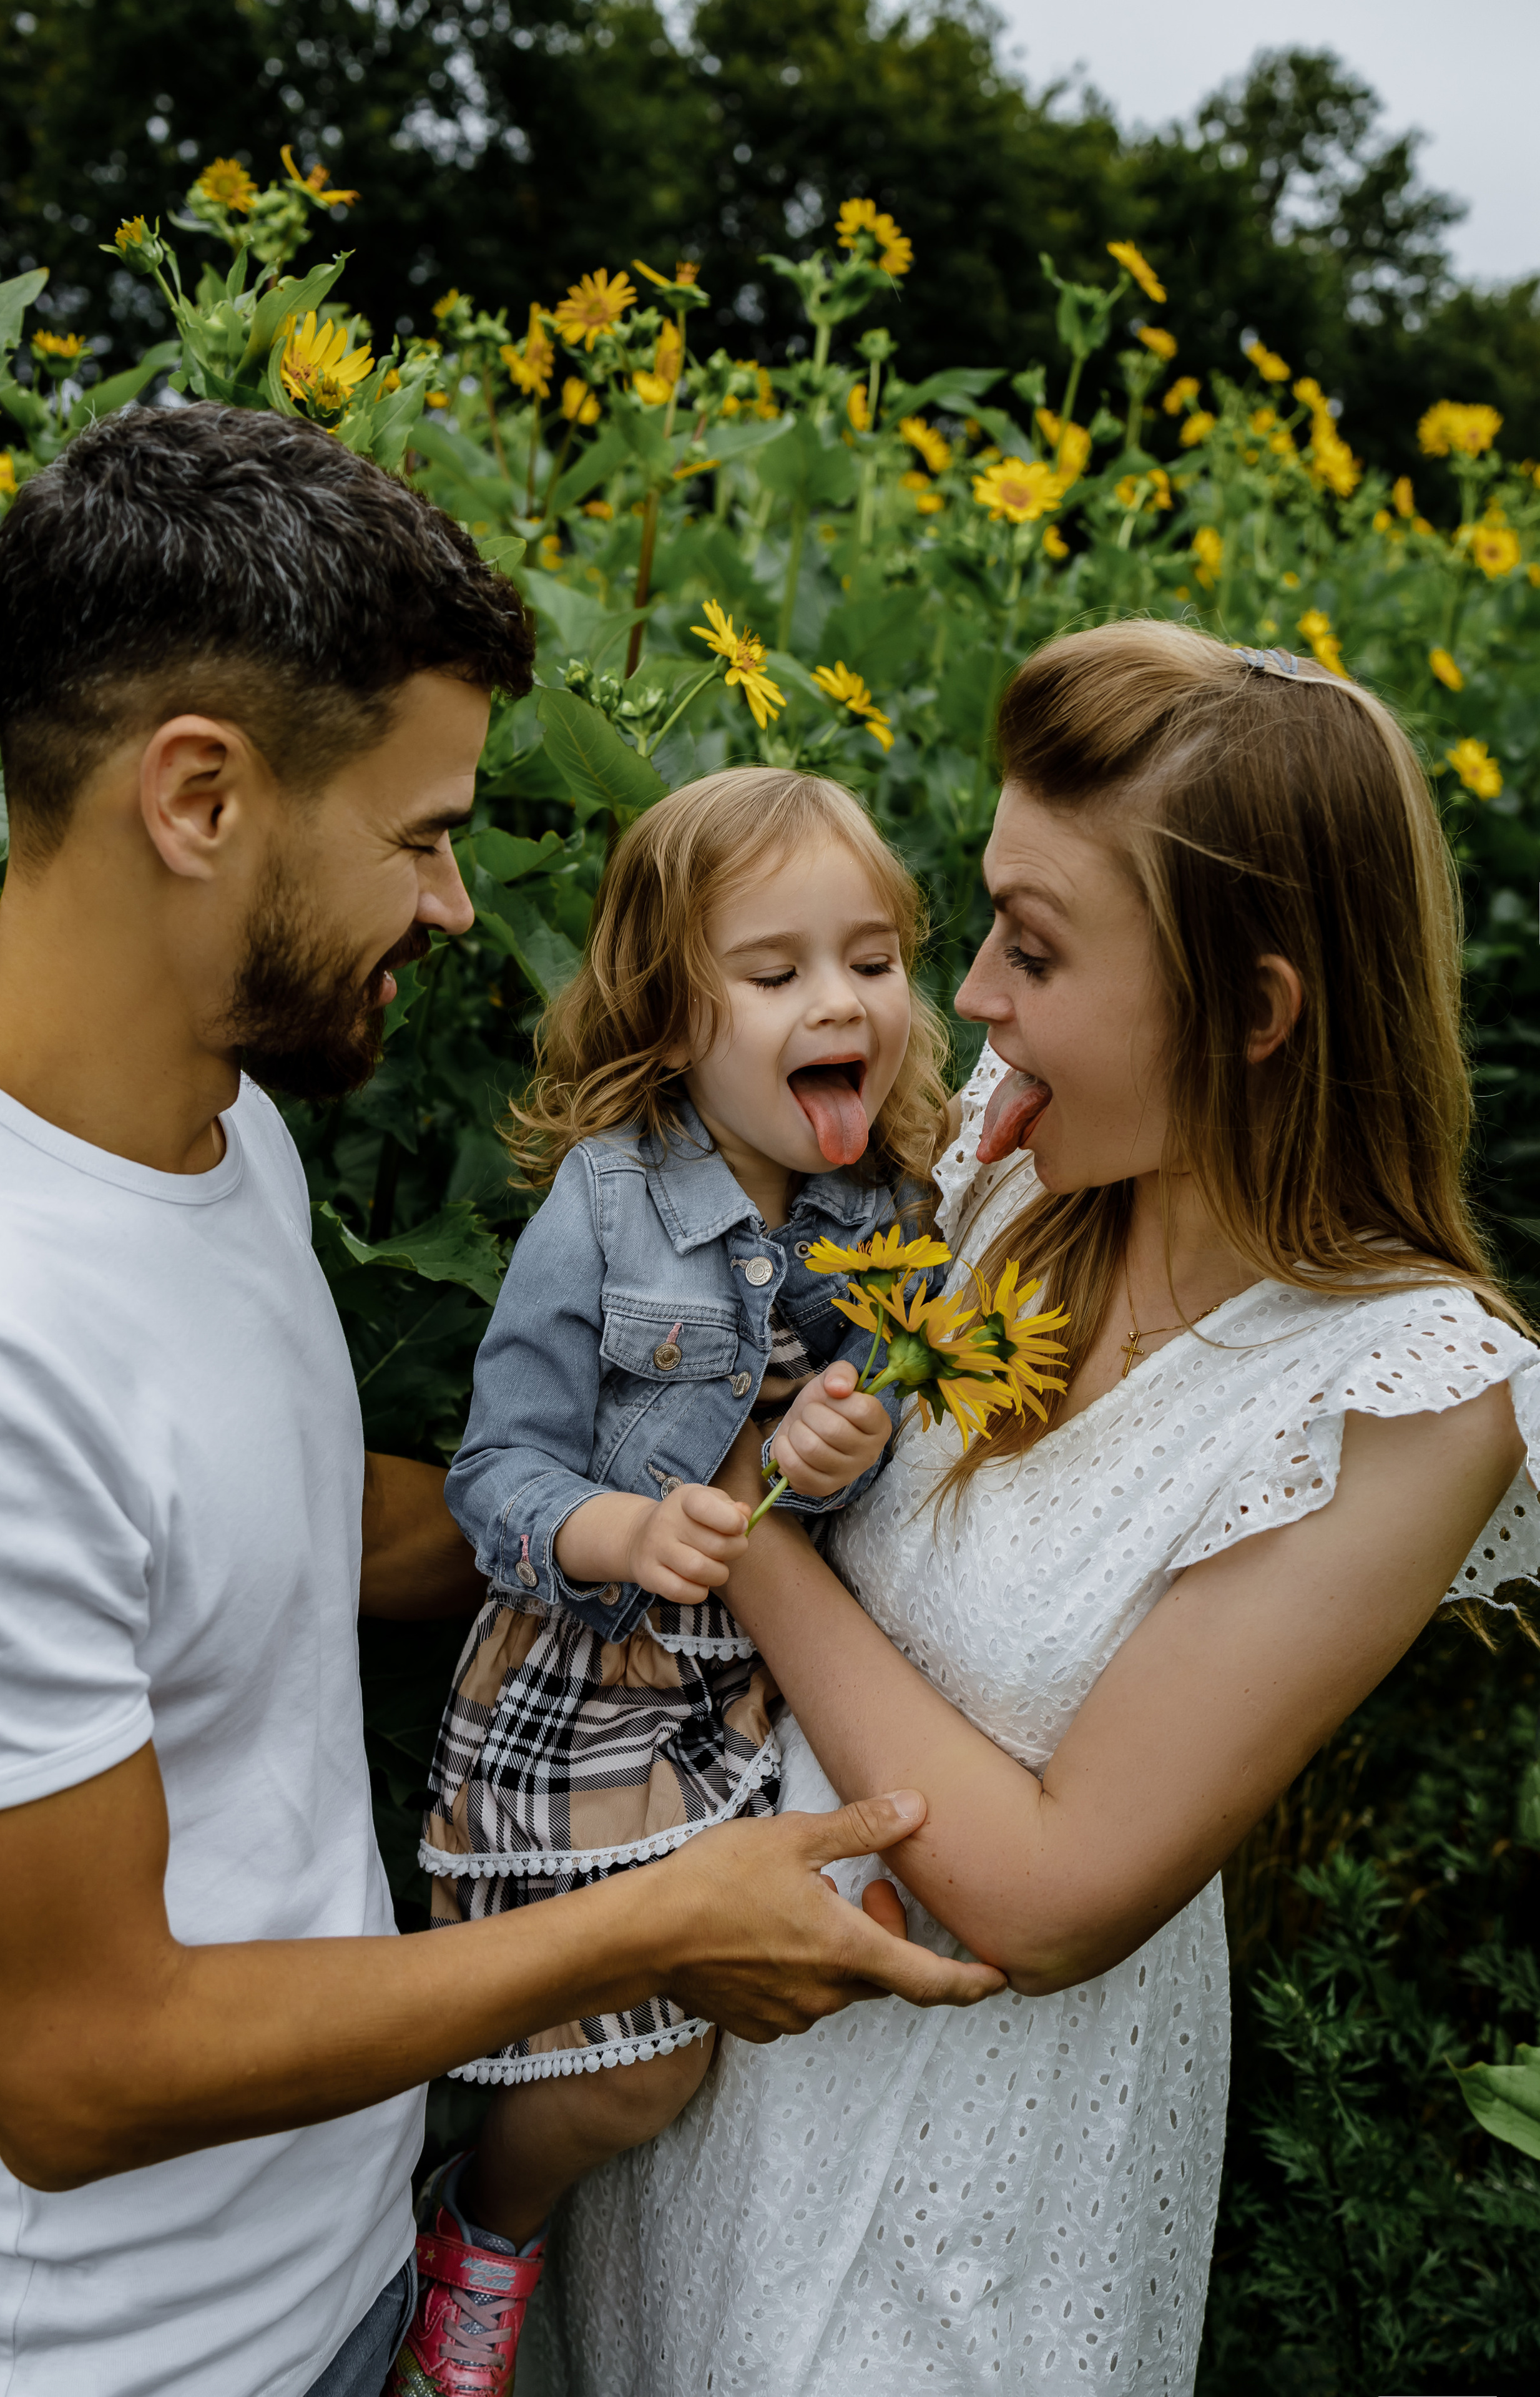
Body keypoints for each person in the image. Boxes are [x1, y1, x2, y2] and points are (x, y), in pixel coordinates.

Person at [0, 403, 1001, 2397]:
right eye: (420, 838)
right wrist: (648, 1923)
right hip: (134, 2356)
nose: (449, 907)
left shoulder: (216, 1129)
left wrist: (682, 1531)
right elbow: (76, 2072)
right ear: (198, 798)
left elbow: (277, 1526)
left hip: (331, 2260)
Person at [549, 622, 1540, 2394]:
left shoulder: (1408, 1395)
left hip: (977, 2193)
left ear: (1255, 1011)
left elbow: (1059, 1893)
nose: (980, 999)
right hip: (718, 2089)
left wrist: (749, 1532)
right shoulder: (1013, 1178)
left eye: (1040, 947)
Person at [396, 769, 946, 2378]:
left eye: (874, 960)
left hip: (772, 1687)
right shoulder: (611, 1202)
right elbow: (493, 1476)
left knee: (748, 2041)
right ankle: (480, 2233)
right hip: (598, 1675)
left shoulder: (892, 1207)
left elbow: (903, 1386)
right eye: (775, 976)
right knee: (635, 2071)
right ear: (671, 1010)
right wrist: (625, 1532)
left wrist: (859, 1426)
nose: (838, 1002)